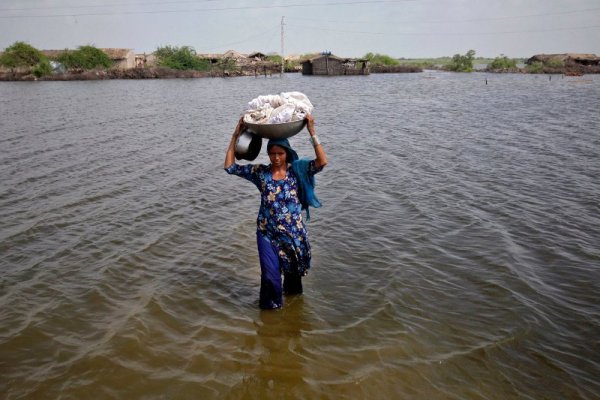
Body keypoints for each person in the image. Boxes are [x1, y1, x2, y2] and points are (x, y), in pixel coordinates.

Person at [224, 114, 328, 310]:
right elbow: (229, 167)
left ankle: (290, 325)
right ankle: (270, 316)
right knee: (270, 279)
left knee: (294, 288)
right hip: (267, 233)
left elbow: (322, 162)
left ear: (287, 153)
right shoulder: (261, 173)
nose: (276, 158)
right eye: (272, 153)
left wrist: (312, 131)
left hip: (292, 235)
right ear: (268, 154)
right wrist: (235, 136)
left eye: (280, 153)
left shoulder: (298, 171)